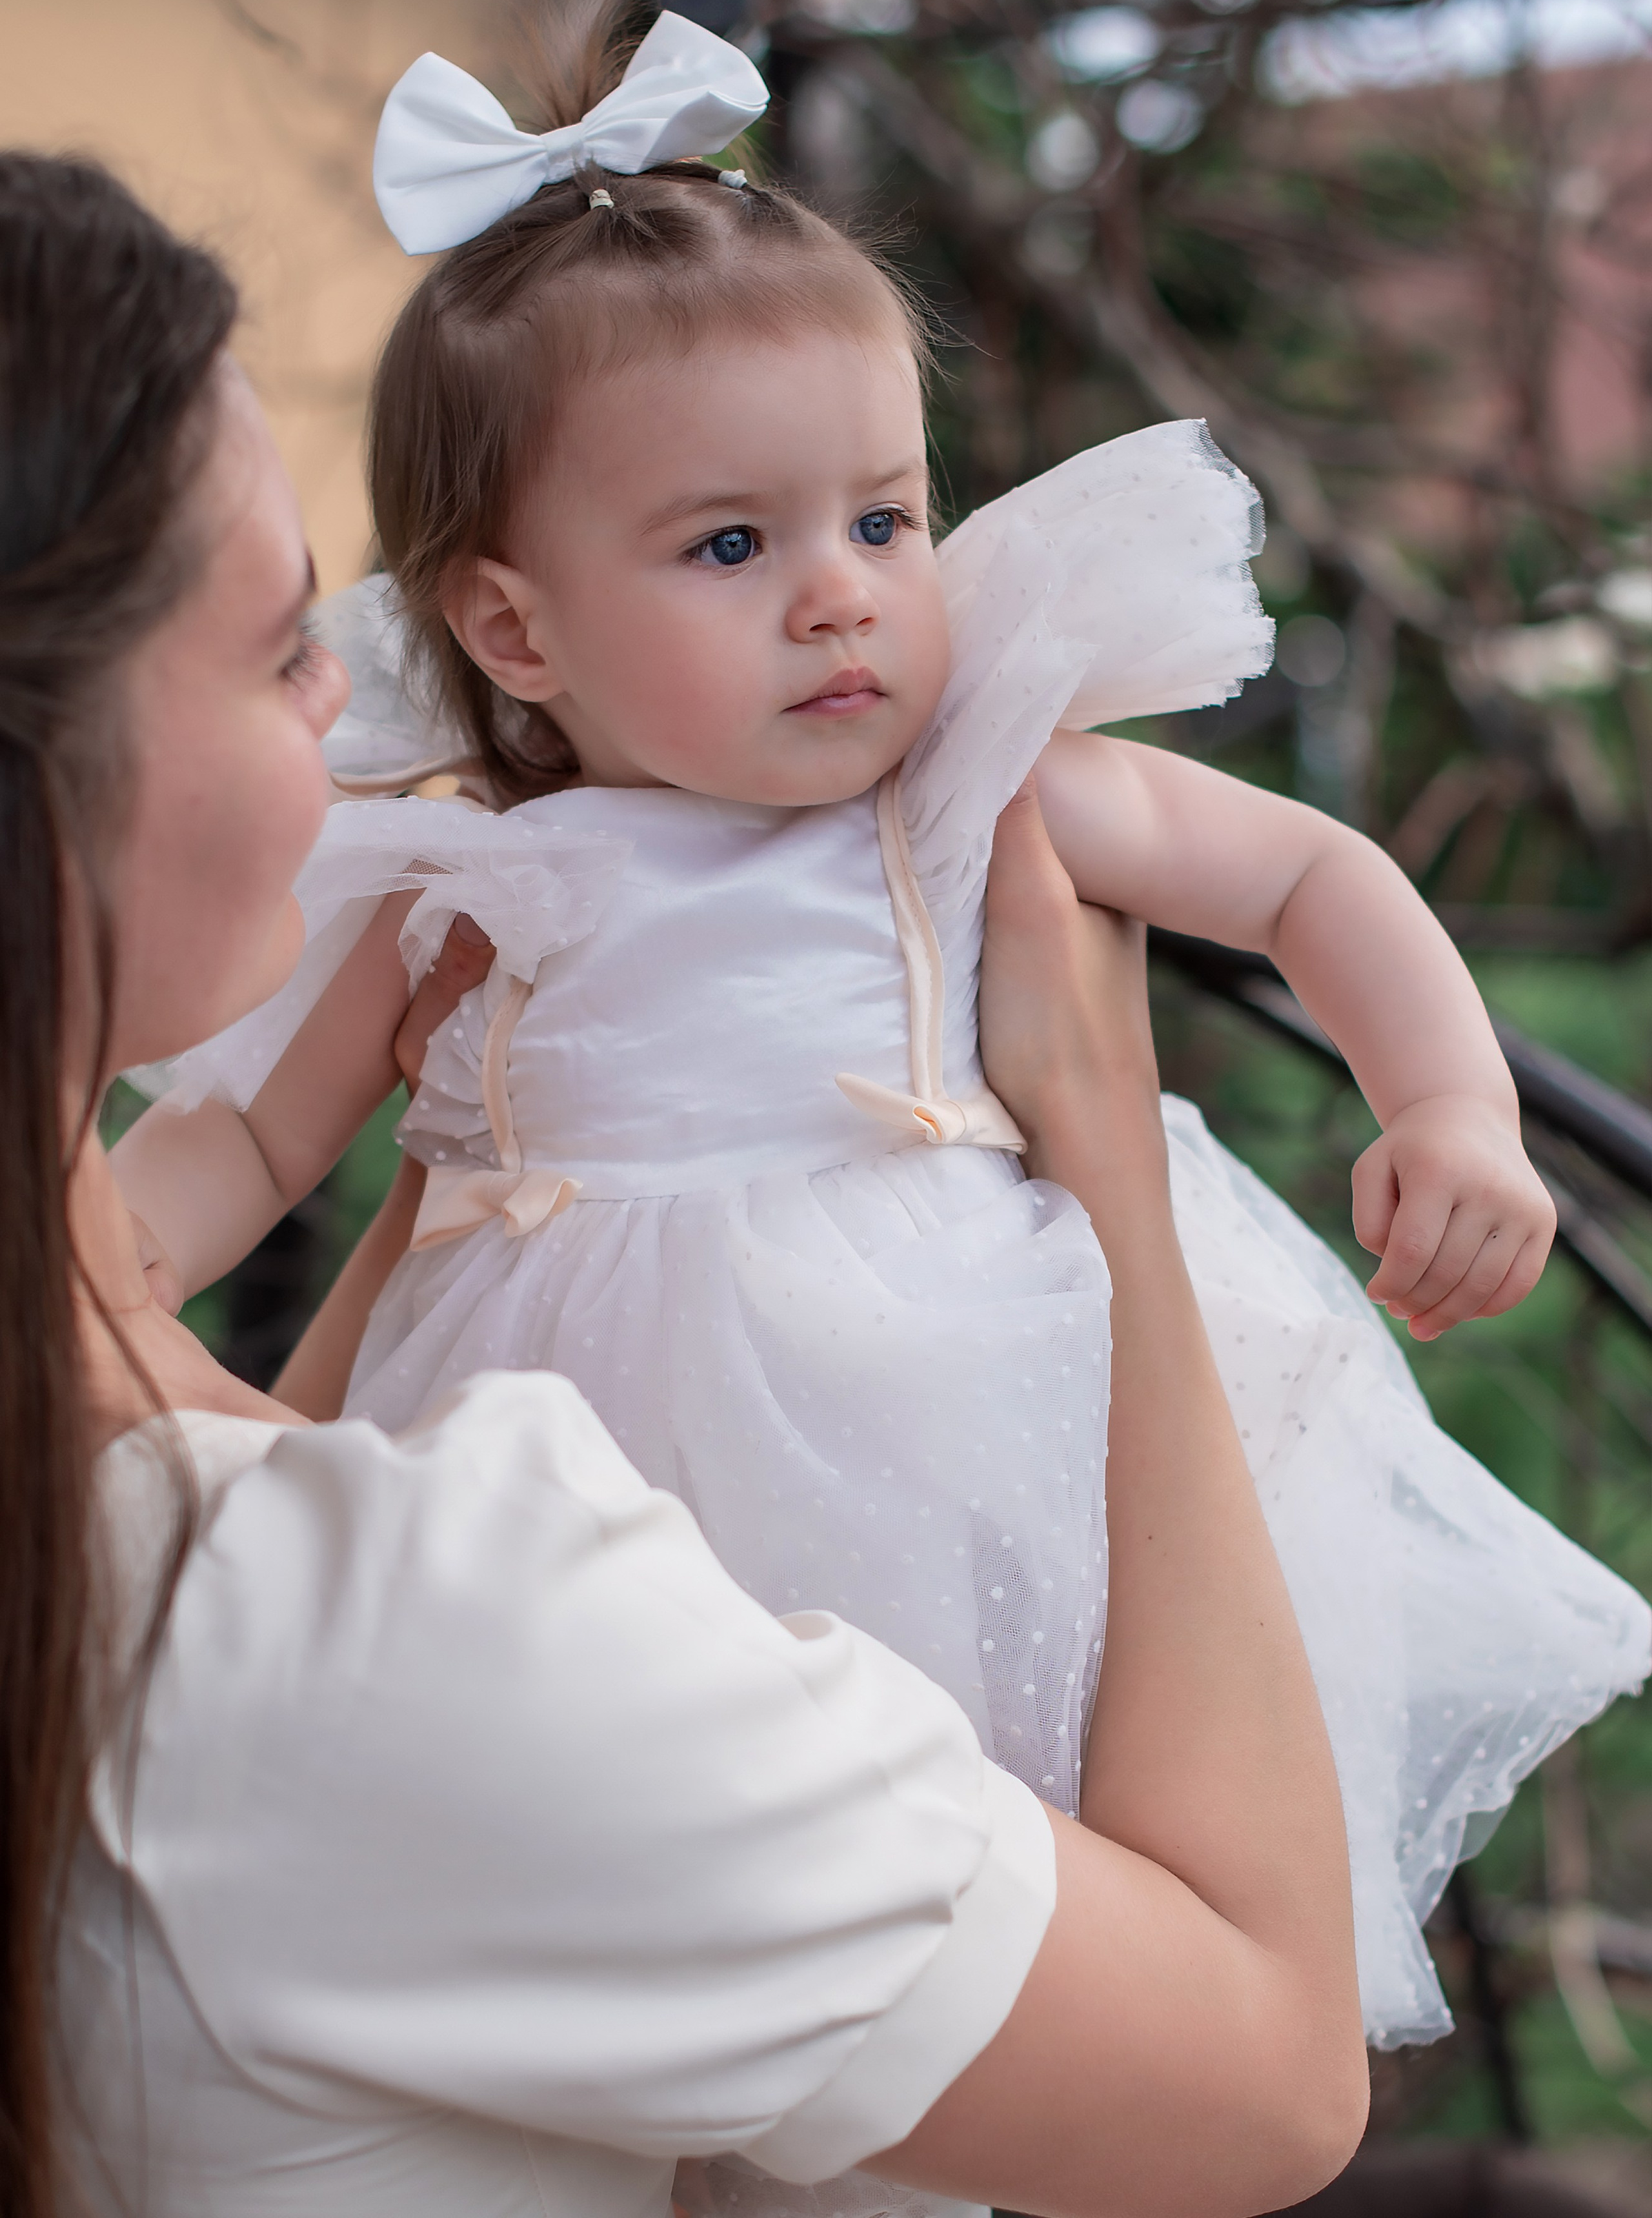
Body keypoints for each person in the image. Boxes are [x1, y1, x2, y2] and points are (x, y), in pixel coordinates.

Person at [110, 0, 1650, 2082]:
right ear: (513, 628)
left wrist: (1454, 1104)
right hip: (552, 1476)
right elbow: (253, 1146)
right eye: (734, 547)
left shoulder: (966, 797)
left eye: (885, 520)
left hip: (933, 1434)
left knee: (968, 1921)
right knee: (617, 1966)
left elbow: (1309, 879)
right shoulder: (463, 863)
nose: (842, 599)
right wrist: (89, 1266)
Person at [2, 148, 1369, 2218]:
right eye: (287, 651)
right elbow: (1265, 2083)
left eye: (882, 521)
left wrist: (405, 1200)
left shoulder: (140, 1544)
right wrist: (1110, 1165)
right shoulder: (409, 1632)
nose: (350, 714)